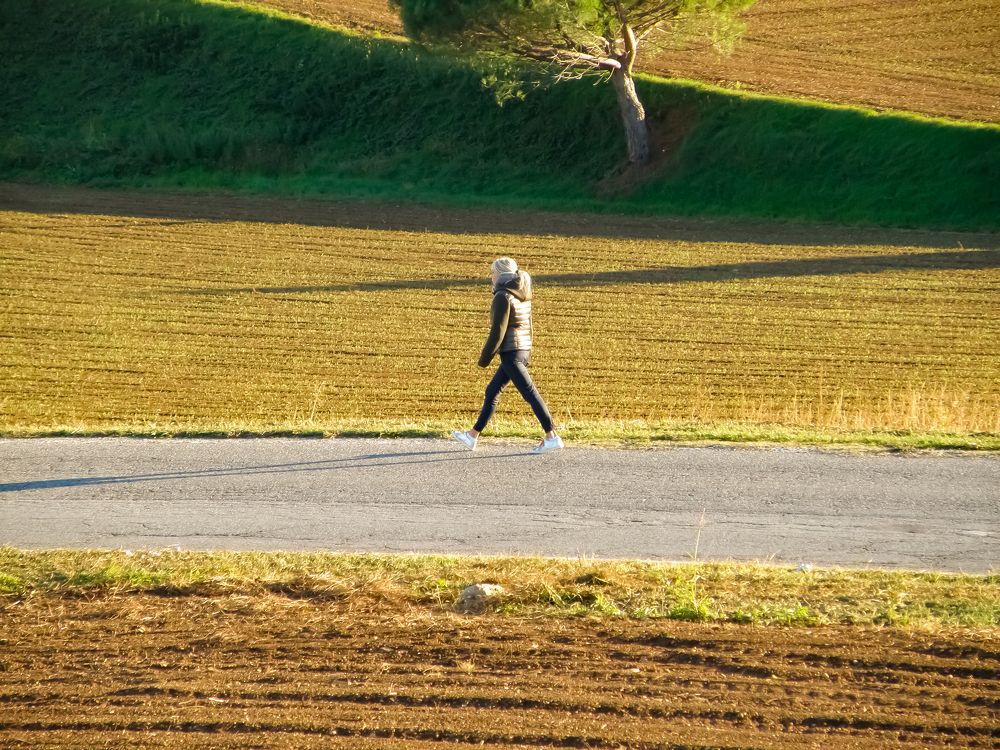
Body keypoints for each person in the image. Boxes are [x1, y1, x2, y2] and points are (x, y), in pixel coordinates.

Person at [452, 257, 563, 454]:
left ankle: (551, 436)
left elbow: (498, 331)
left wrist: (484, 359)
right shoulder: (522, 291)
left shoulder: (503, 296)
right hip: (522, 349)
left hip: (511, 353)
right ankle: (472, 436)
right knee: (492, 391)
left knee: (530, 393)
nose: (491, 277)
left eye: (492, 273)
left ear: (499, 274)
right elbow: (527, 324)